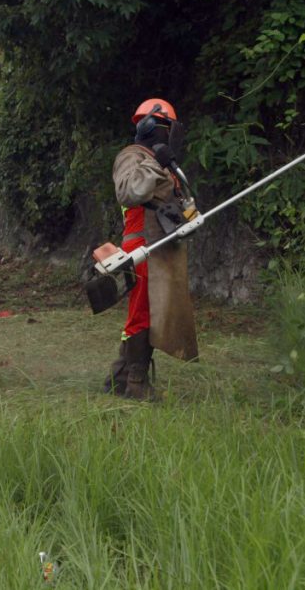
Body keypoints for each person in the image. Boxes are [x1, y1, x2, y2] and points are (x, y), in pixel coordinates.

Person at [104, 98, 198, 399]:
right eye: (168, 127)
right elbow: (129, 192)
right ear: (151, 125)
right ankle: (136, 383)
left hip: (162, 244)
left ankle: (119, 376)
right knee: (144, 314)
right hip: (142, 244)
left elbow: (180, 206)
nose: (172, 134)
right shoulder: (133, 156)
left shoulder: (163, 163)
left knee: (152, 312)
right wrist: (157, 164)